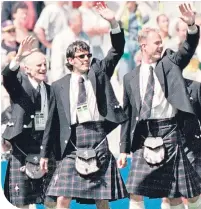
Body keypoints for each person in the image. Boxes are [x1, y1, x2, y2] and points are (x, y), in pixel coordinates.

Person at [40, 2, 128, 209]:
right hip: (72, 140)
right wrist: (44, 153)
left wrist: (113, 22)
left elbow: (117, 50)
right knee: (63, 197)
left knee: (102, 197)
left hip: (97, 136)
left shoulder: (99, 72)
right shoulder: (58, 86)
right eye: (81, 56)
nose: (87, 59)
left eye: (88, 55)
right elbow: (51, 122)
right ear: (70, 60)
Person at [118, 3, 201, 209]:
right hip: (144, 134)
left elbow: (188, 48)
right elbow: (127, 115)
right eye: (156, 43)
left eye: (161, 42)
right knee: (135, 190)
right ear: (143, 45)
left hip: (169, 131)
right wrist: (123, 149)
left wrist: (191, 26)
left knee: (172, 193)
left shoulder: (170, 63)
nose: (160, 46)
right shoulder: (130, 78)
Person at [1, 36, 56, 208]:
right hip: (22, 148)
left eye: (45, 64)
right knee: (23, 202)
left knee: (52, 200)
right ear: (27, 69)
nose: (43, 68)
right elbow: (7, 77)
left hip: (45, 147)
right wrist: (18, 57)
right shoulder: (19, 85)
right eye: (39, 65)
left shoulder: (50, 90)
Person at [161, 79, 201, 209]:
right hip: (164, 146)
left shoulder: (195, 87)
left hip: (192, 146)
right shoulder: (155, 88)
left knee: (195, 192)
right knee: (170, 194)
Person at [50, 9, 89, 83]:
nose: (82, 23)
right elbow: (57, 65)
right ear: (71, 22)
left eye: (81, 20)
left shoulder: (85, 37)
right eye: (79, 20)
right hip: (67, 81)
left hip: (83, 80)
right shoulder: (60, 38)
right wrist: (60, 84)